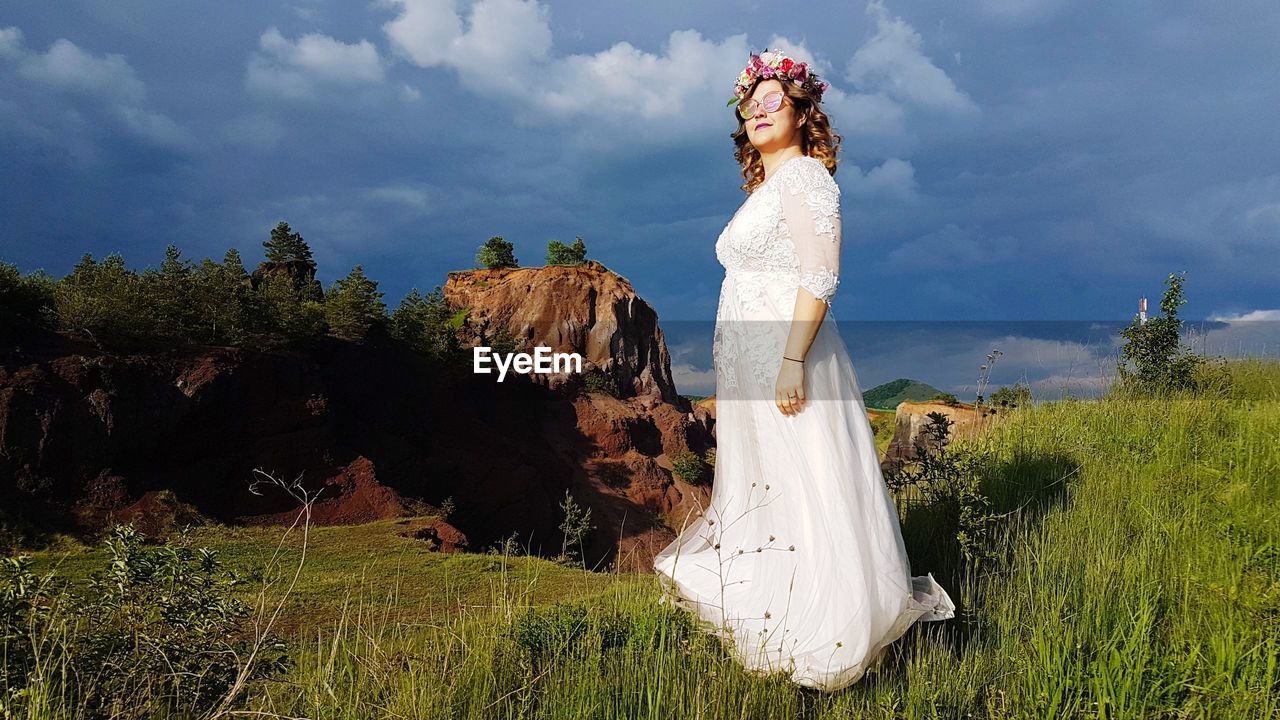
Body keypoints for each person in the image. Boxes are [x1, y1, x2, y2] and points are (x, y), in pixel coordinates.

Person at [652, 48, 956, 692]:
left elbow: (820, 275)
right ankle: (778, 602)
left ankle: (830, 623)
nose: (760, 113)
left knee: (808, 475)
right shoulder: (767, 188)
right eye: (750, 106)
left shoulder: (806, 180)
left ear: (802, 111)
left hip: (786, 356)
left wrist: (791, 360)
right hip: (748, 359)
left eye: (774, 103)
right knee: (772, 481)